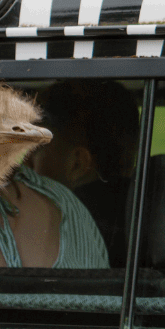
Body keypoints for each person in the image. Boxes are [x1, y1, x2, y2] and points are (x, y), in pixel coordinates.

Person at [30, 80, 139, 267]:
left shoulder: (43, 230)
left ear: (78, 164)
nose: (24, 163)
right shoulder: (148, 222)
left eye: (35, 149)